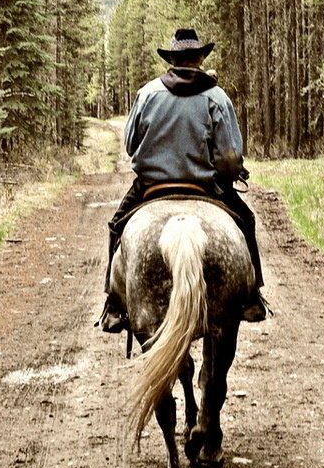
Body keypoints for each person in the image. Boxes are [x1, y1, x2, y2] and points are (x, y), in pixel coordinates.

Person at [99, 27, 267, 333]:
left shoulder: (147, 94)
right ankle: (253, 295)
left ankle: (113, 304)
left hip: (152, 186)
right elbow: (230, 157)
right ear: (200, 58)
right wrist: (230, 174)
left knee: (116, 226)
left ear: (173, 59)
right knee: (246, 221)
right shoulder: (217, 97)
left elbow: (130, 145)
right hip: (206, 187)